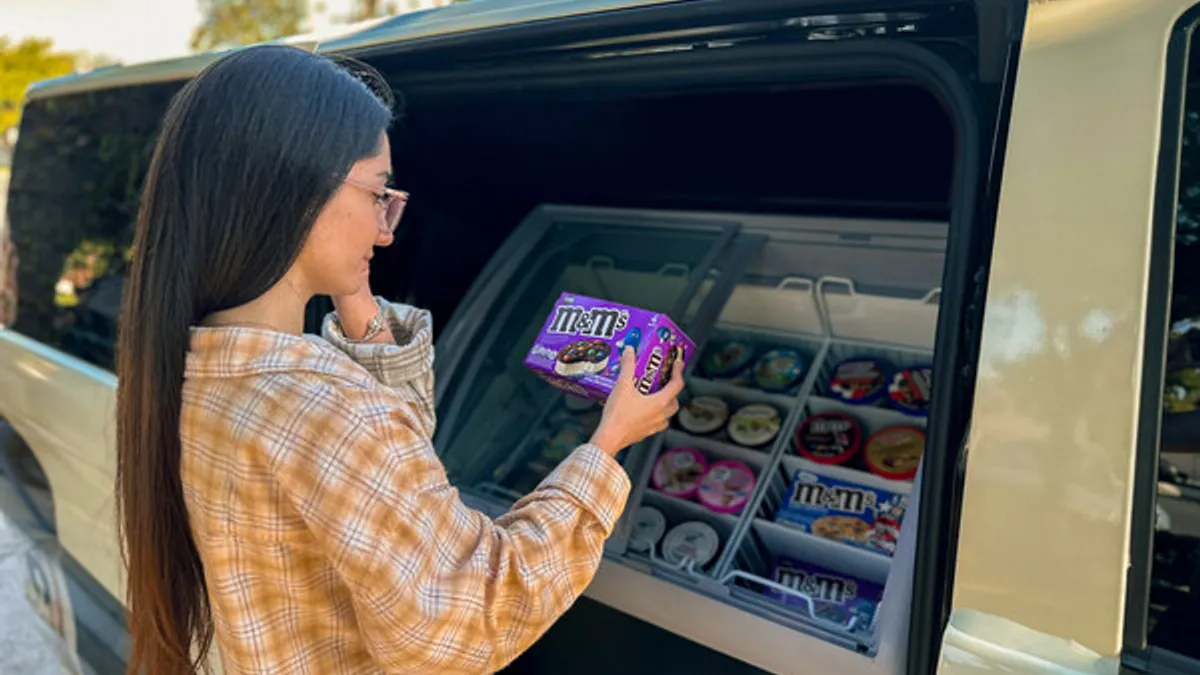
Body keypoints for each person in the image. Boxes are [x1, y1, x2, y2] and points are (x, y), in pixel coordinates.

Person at [115, 46, 684, 675]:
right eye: (379, 193)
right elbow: (472, 615)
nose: (386, 230)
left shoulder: (198, 366)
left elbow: (381, 464)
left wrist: (351, 285)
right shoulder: (327, 408)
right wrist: (609, 445)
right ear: (300, 194)